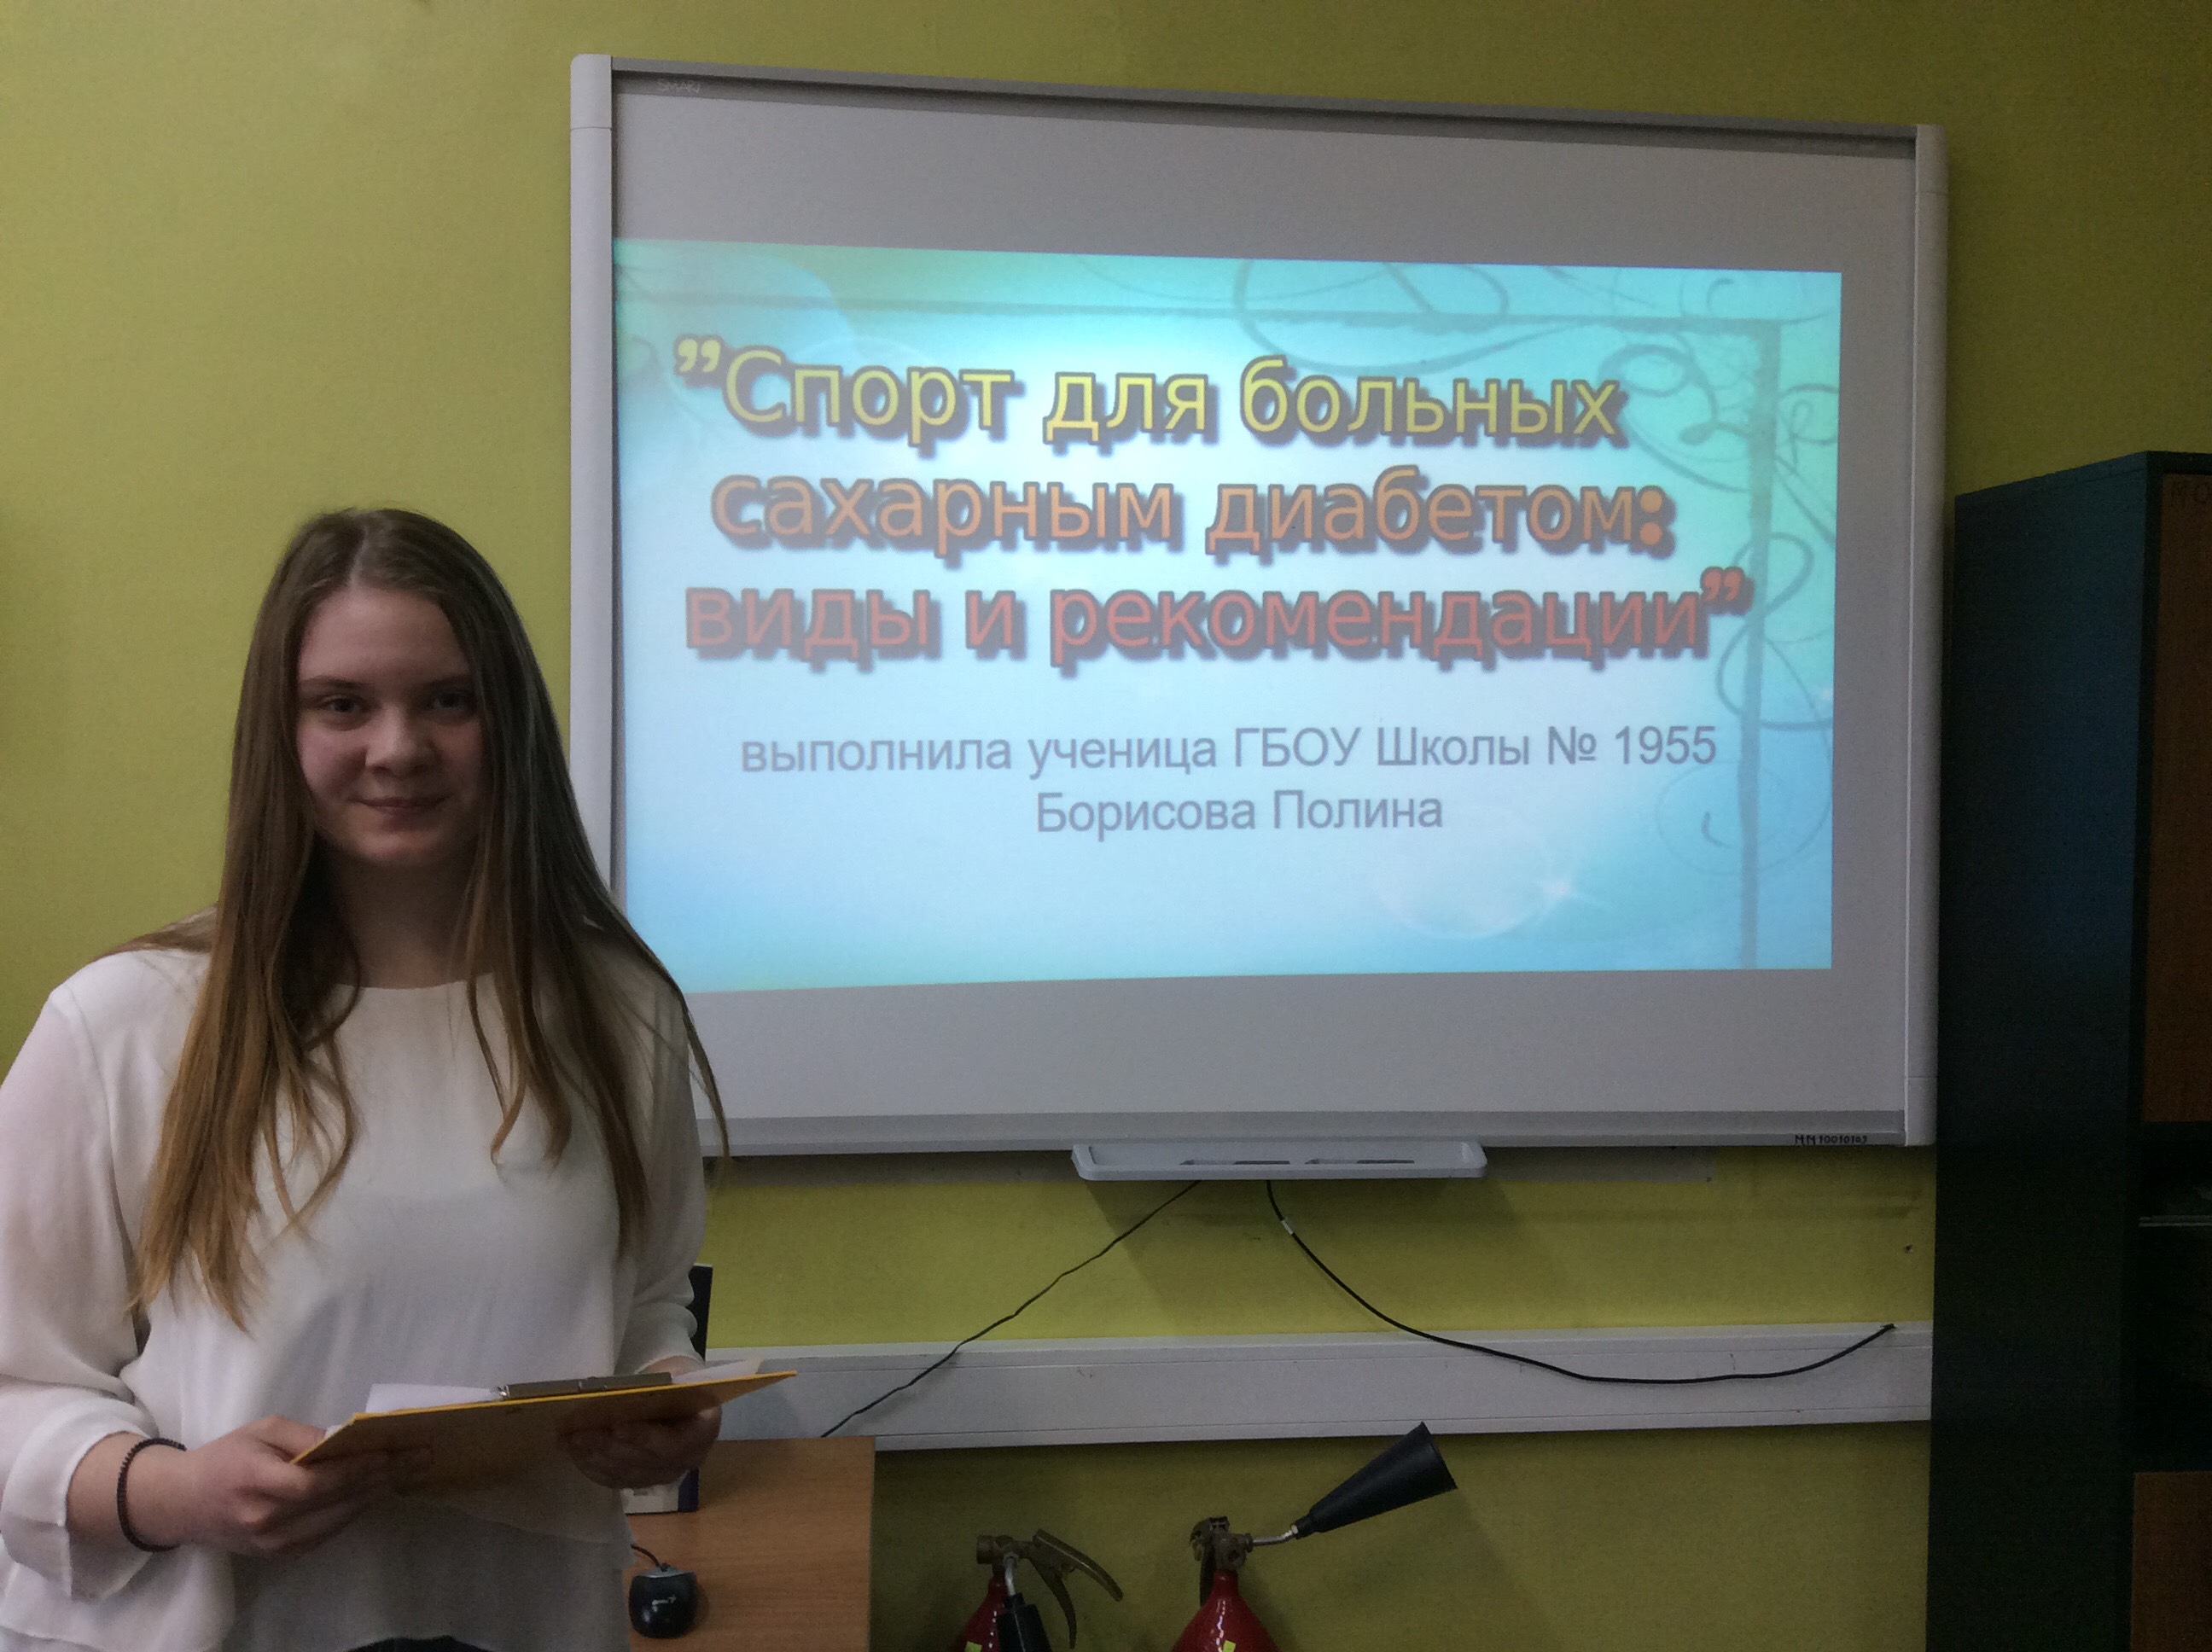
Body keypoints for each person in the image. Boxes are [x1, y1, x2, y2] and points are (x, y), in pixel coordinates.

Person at [0, 509, 731, 1652]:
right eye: (343, 704)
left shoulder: (618, 1013)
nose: (400, 748)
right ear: (280, 730)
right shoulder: (124, 1025)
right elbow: (15, 1388)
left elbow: (644, 1301)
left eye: (449, 700)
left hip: (523, 1622)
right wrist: (172, 1491)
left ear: (509, 722)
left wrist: (662, 1400)